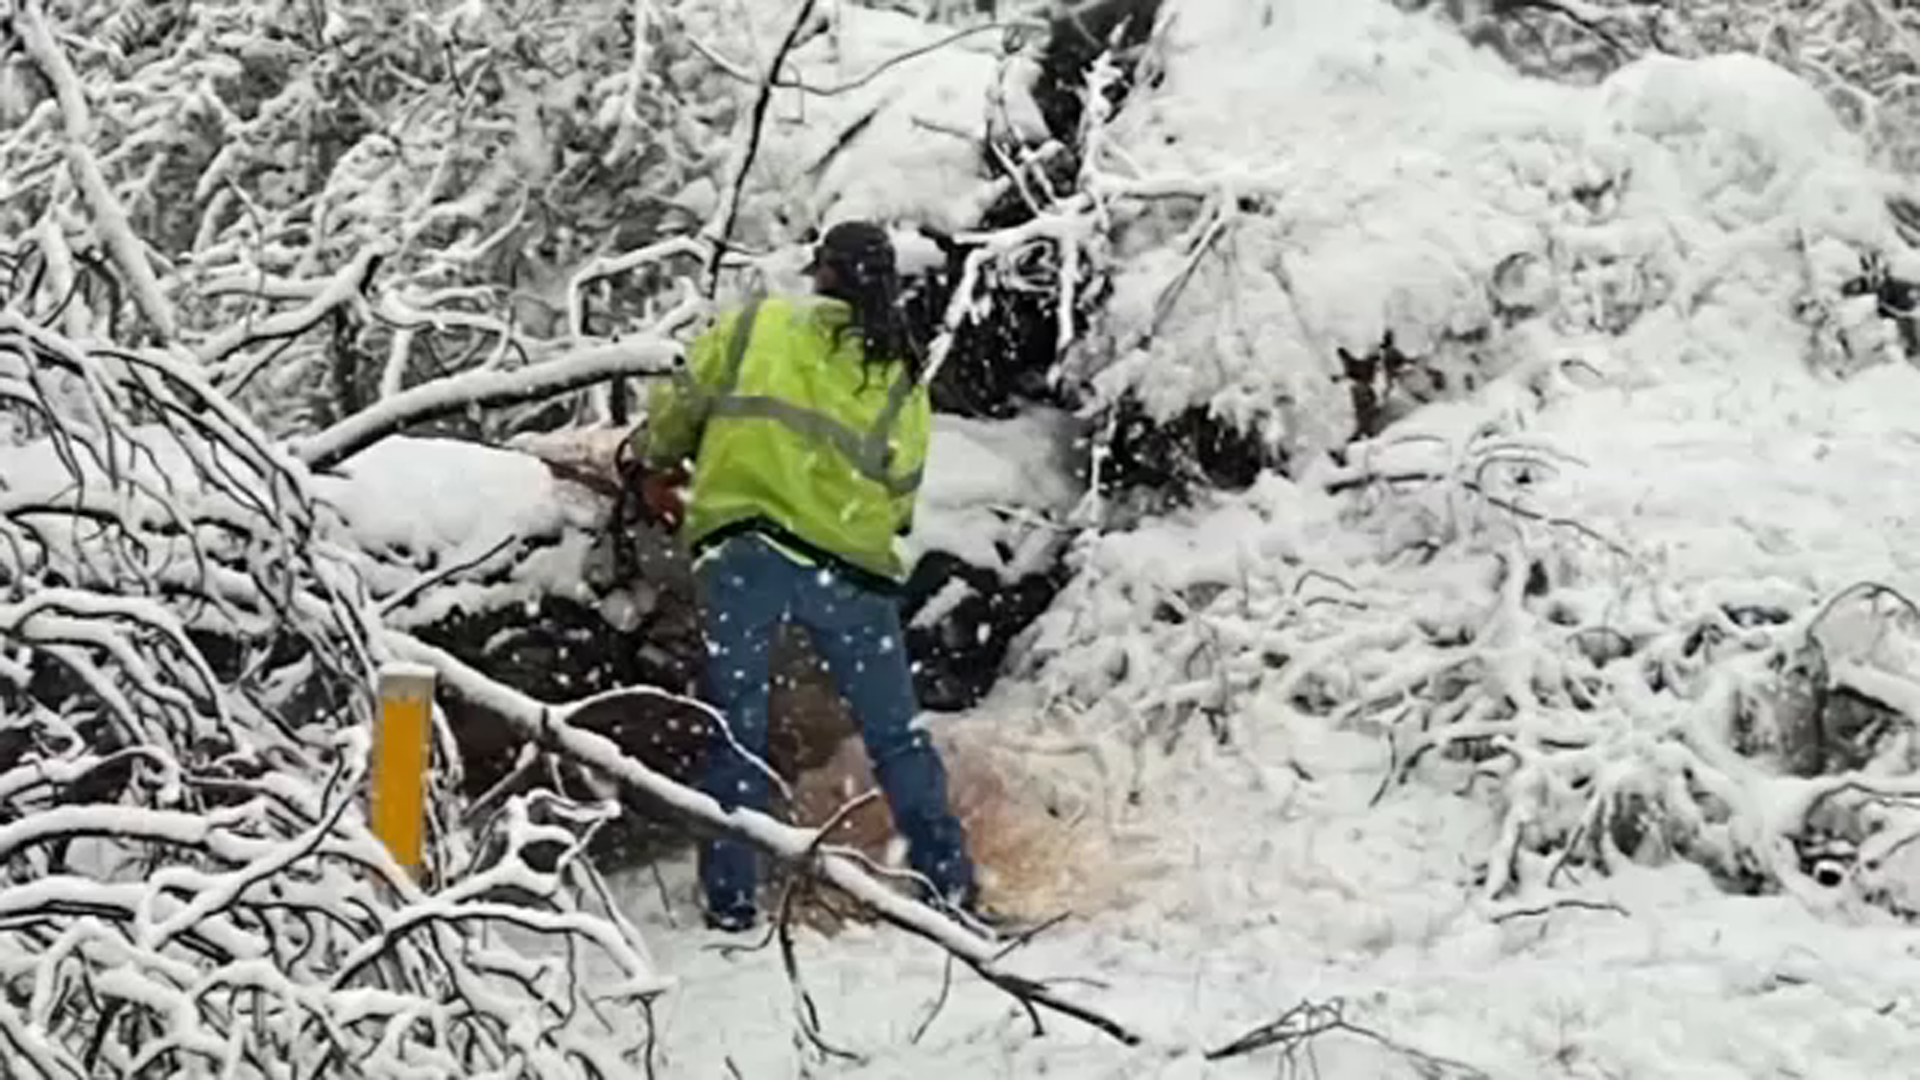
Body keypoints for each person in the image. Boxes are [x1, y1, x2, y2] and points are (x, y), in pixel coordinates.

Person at [633, 221, 980, 932]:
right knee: (895, 734)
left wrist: (653, 461)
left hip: (745, 553)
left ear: (818, 270)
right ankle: (948, 883)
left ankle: (733, 899)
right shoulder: (896, 369)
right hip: (851, 570)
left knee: (738, 727)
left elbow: (675, 411)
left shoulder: (756, 325)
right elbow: (902, 486)